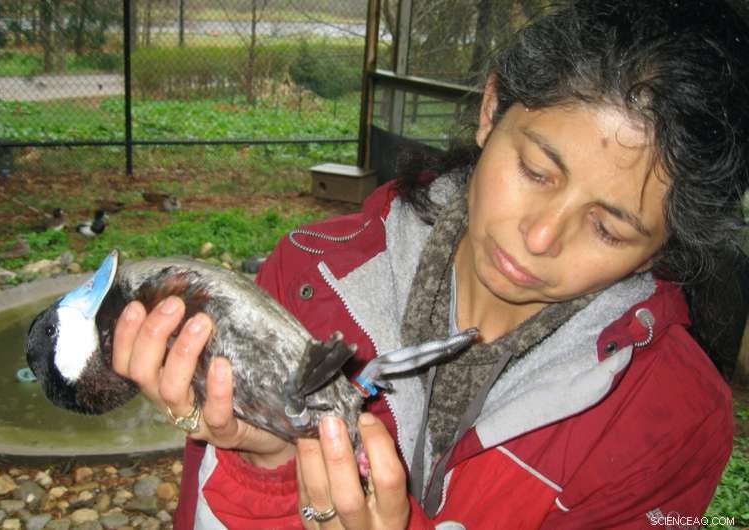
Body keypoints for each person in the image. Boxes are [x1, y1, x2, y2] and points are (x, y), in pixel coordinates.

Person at [111, 0, 749, 527]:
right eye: (534, 170)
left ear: (665, 243)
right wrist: (270, 465)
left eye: (608, 228)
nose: (540, 236)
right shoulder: (307, 284)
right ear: (491, 109)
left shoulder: (670, 418)